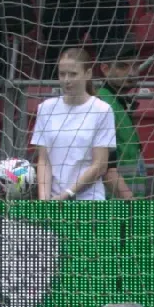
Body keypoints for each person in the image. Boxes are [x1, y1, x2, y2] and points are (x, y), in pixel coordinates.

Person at [32, 48, 116, 201]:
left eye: (73, 74)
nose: (66, 80)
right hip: (53, 201)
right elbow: (44, 160)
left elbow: (100, 165)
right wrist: (44, 200)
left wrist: (67, 194)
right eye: (62, 74)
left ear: (88, 74)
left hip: (89, 201)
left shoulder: (102, 110)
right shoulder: (45, 108)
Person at [97, 45, 145, 200]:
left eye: (135, 66)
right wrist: (129, 198)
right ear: (105, 69)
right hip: (114, 203)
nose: (132, 73)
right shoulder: (102, 104)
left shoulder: (116, 102)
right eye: (123, 66)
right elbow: (103, 165)